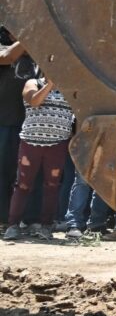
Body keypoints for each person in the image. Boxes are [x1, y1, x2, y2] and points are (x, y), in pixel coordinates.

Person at [3, 64, 74, 240]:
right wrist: (50, 85)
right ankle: (13, 225)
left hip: (57, 145)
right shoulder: (32, 83)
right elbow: (34, 101)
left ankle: (46, 226)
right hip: (30, 144)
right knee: (23, 185)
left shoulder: (70, 89)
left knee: (52, 186)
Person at [0, 28, 27, 230]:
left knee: (21, 176)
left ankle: (17, 218)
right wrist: (34, 35)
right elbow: (7, 57)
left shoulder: (34, 53)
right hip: (4, 123)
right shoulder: (4, 46)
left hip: (29, 126)